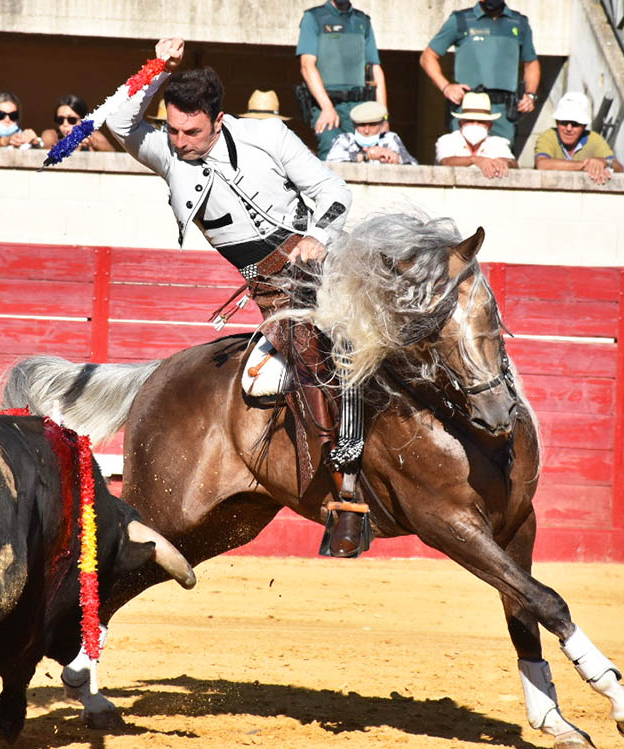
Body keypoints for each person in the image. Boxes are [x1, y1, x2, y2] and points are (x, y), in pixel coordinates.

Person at [106, 37, 370, 558]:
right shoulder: (167, 154)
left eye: (192, 131)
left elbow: (333, 192)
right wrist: (159, 67)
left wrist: (319, 237)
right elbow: (117, 120)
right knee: (310, 353)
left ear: (219, 120)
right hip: (278, 293)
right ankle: (345, 495)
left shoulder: (268, 136)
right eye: (173, 130)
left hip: (330, 266)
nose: (180, 141)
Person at [420, 1, 540, 143]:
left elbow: (531, 63)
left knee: (500, 154)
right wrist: (446, 87)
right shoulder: (460, 20)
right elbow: (428, 57)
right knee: (462, 153)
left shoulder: (519, 23)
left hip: (503, 113)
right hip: (467, 107)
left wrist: (530, 95)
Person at [296, 0, 386, 160]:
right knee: (332, 151)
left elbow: (375, 70)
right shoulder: (314, 18)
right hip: (326, 104)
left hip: (360, 106)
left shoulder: (362, 21)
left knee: (368, 155)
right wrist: (327, 108)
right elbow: (307, 66)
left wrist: (383, 117)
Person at [534, 92, 623, 185]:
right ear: (557, 122)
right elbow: (542, 164)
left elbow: (619, 167)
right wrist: (586, 166)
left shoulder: (595, 139)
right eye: (564, 122)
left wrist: (604, 162)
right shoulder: (548, 137)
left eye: (575, 124)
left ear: (584, 126)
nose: (568, 128)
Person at [435, 91, 517, 178]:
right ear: (460, 124)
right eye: (470, 121)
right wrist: (474, 160)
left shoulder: (497, 142)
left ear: (489, 126)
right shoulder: (447, 140)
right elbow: (446, 162)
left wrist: (505, 162)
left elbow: (514, 163)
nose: (475, 124)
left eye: (481, 121)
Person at [326, 101, 417, 164]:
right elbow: (331, 161)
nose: (366, 131)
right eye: (362, 125)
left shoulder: (390, 138)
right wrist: (366, 156)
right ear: (354, 125)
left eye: (372, 125)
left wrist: (396, 158)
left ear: (382, 125)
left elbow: (413, 165)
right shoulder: (345, 139)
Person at [40, 94, 116, 151]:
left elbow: (112, 153)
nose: (65, 124)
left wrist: (93, 142)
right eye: (60, 120)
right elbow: (47, 150)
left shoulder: (92, 135)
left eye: (71, 120)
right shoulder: (51, 134)